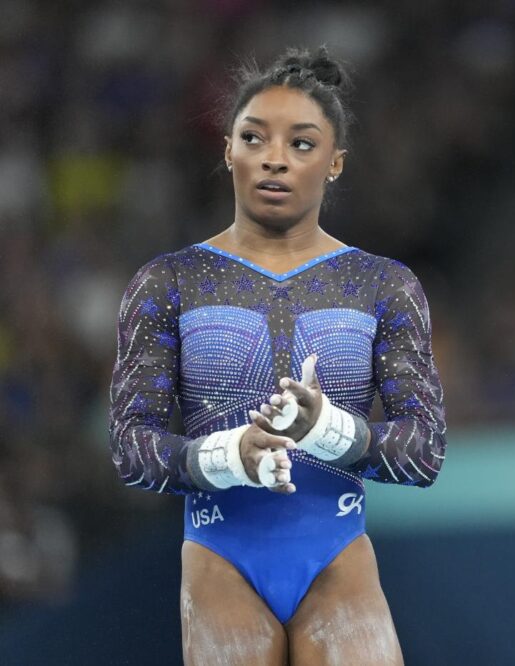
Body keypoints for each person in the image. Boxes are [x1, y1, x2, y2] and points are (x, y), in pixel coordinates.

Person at [109, 46, 447, 664]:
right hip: (219, 557)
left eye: (302, 143)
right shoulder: (169, 282)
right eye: (254, 137)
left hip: (338, 556)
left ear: (335, 163)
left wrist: (328, 430)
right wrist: (227, 455)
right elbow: (131, 447)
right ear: (228, 151)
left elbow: (424, 454)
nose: (274, 158)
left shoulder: (383, 285)